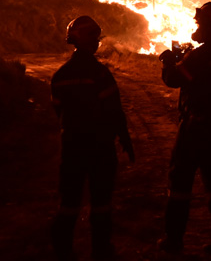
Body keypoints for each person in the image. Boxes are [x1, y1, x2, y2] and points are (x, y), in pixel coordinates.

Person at [157, 1, 211, 257]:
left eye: (199, 23)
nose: (197, 27)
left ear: (208, 25)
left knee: (180, 181)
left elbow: (173, 79)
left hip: (195, 128)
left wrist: (168, 62)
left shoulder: (202, 55)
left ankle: (174, 239)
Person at [50, 16, 135, 260]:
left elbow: (58, 110)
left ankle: (62, 249)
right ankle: (101, 249)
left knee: (69, 199)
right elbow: (114, 110)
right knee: (101, 200)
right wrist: (124, 138)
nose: (97, 42)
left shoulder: (60, 75)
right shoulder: (100, 74)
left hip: (72, 145)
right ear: (88, 41)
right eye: (94, 38)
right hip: (100, 145)